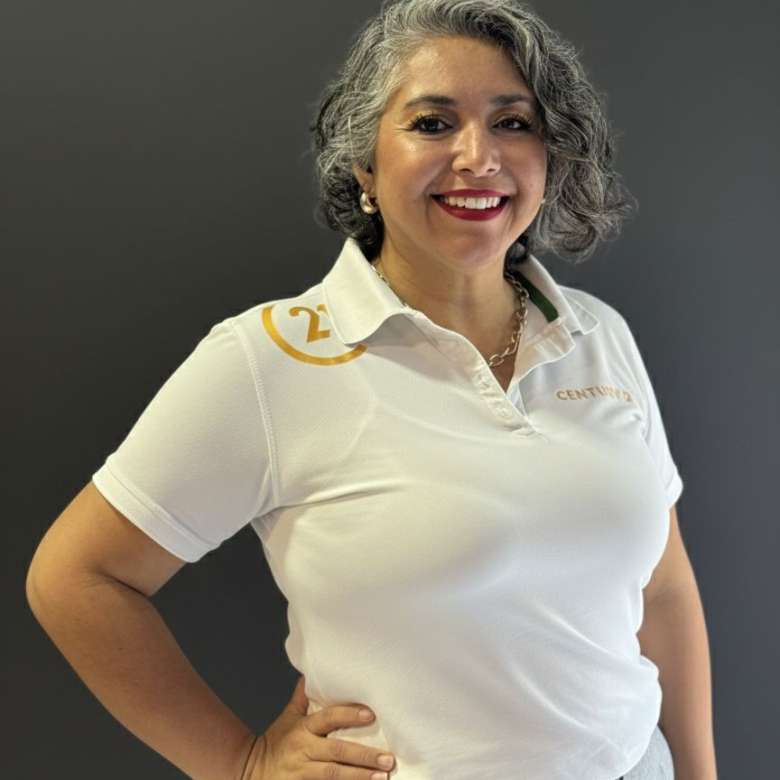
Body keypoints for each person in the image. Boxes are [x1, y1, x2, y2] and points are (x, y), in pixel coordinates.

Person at [26, 1, 718, 779]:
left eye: (513, 123)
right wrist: (240, 764)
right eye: (432, 123)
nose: (478, 157)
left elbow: (664, 590)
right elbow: (76, 578)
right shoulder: (273, 357)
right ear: (364, 163)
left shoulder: (597, 333)